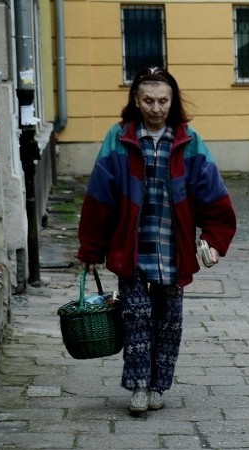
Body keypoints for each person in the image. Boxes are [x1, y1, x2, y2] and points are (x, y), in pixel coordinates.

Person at [76, 66, 237, 416]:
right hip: (130, 246)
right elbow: (98, 198)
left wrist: (214, 239)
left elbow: (214, 197)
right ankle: (136, 388)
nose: (156, 108)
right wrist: (90, 248)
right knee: (135, 315)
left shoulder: (189, 141)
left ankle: (157, 386)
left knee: (168, 320)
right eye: (148, 100)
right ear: (136, 99)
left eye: (163, 100)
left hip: (173, 248)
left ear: (172, 101)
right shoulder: (118, 138)